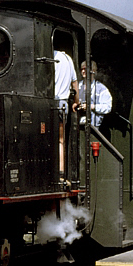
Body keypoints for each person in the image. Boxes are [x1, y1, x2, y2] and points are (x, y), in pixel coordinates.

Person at [53, 47, 78, 177]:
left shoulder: (51, 57)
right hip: (63, 102)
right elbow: (75, 83)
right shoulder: (68, 59)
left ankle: (59, 172)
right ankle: (61, 172)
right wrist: (76, 101)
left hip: (52, 100)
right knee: (60, 140)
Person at [75, 61, 112, 127]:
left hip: (93, 127)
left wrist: (92, 107)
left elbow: (108, 107)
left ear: (93, 71)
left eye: (85, 69)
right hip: (77, 125)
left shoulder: (102, 89)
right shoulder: (77, 86)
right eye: (82, 69)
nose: (83, 71)